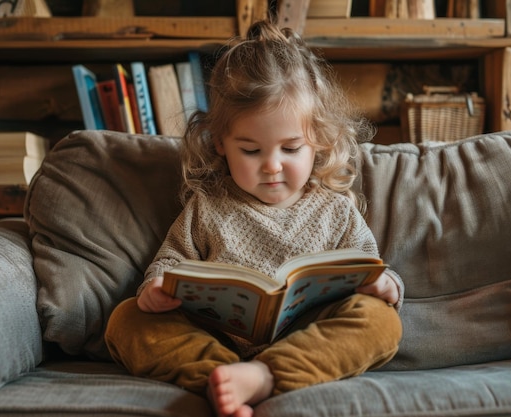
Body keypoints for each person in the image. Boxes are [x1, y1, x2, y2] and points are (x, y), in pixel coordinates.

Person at [105, 19, 404, 417]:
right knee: (127, 319)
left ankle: (263, 377)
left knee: (381, 322)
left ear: (317, 143)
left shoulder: (335, 208)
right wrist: (157, 287)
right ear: (220, 144)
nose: (272, 167)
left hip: (307, 337)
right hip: (216, 338)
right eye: (250, 151)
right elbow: (169, 262)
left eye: (291, 148)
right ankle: (225, 375)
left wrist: (386, 285)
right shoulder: (208, 207)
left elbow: (371, 266)